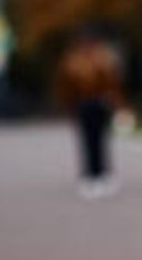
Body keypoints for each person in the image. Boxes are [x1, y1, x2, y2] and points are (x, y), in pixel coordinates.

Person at [54, 29, 125, 200]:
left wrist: (116, 103)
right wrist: (69, 107)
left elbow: (113, 83)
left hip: (100, 103)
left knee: (101, 139)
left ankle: (103, 173)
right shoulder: (73, 61)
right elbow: (66, 86)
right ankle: (89, 175)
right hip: (82, 105)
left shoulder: (104, 59)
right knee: (87, 141)